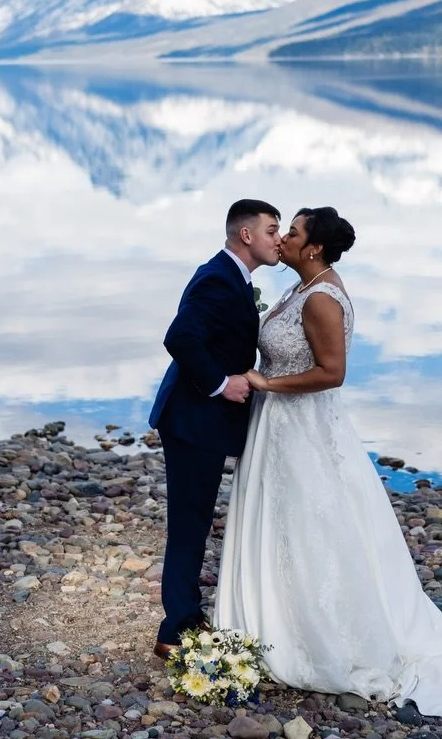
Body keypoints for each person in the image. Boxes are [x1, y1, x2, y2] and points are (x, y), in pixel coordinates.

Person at [214, 206, 442, 718]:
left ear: (314, 247)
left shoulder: (321, 297)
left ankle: (319, 635)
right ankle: (271, 619)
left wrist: (266, 383)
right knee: (284, 524)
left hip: (302, 427)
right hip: (277, 427)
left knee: (309, 524)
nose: (284, 240)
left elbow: (332, 372)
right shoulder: (300, 286)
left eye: (292, 233)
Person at [148, 198, 282, 658]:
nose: (277, 240)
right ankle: (176, 627)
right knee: (189, 523)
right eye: (271, 230)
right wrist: (221, 383)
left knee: (197, 520)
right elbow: (179, 337)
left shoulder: (233, 277)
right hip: (192, 420)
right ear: (246, 235)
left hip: (198, 421)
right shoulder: (218, 278)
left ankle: (186, 611)